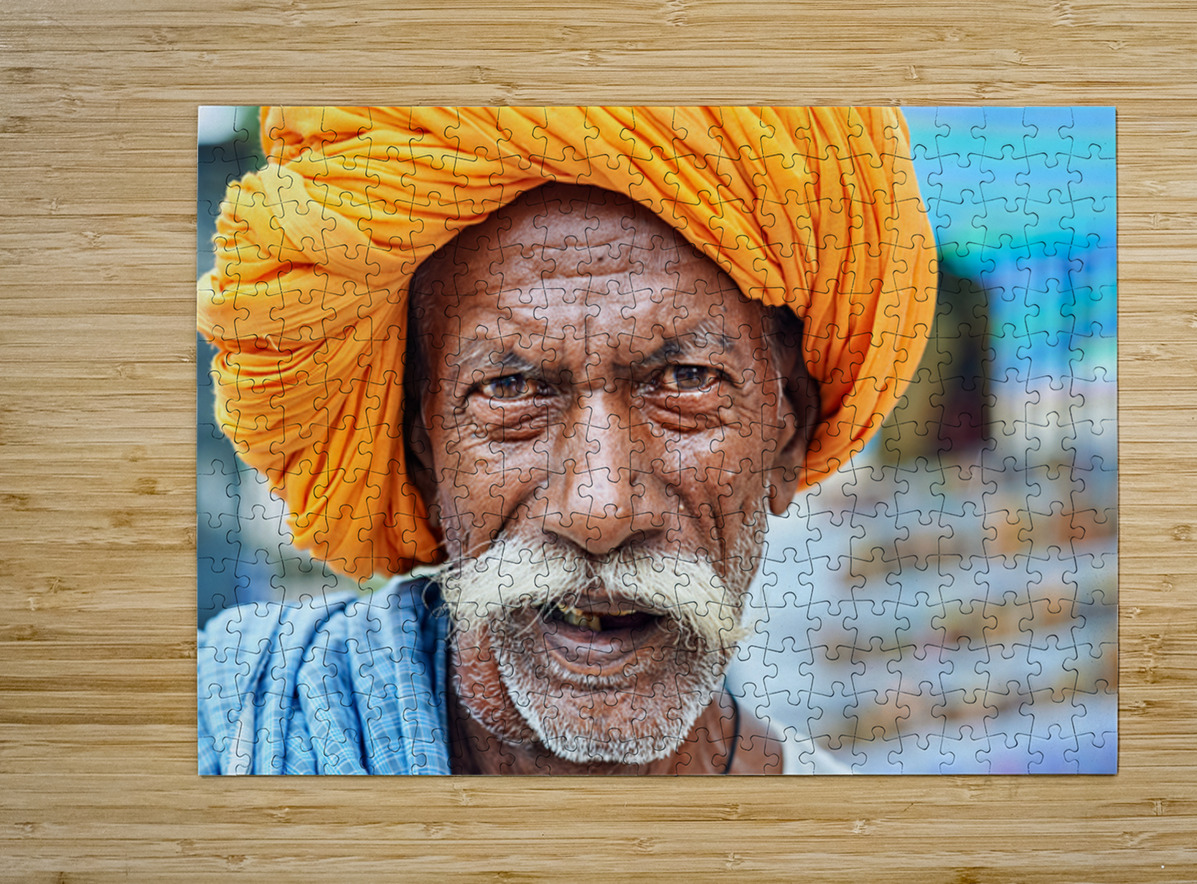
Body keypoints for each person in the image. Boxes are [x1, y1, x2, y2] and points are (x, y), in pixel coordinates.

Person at [197, 107, 936, 775]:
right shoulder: (224, 727)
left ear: (787, 433)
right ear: (420, 448)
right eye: (511, 390)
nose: (600, 511)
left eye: (685, 379)